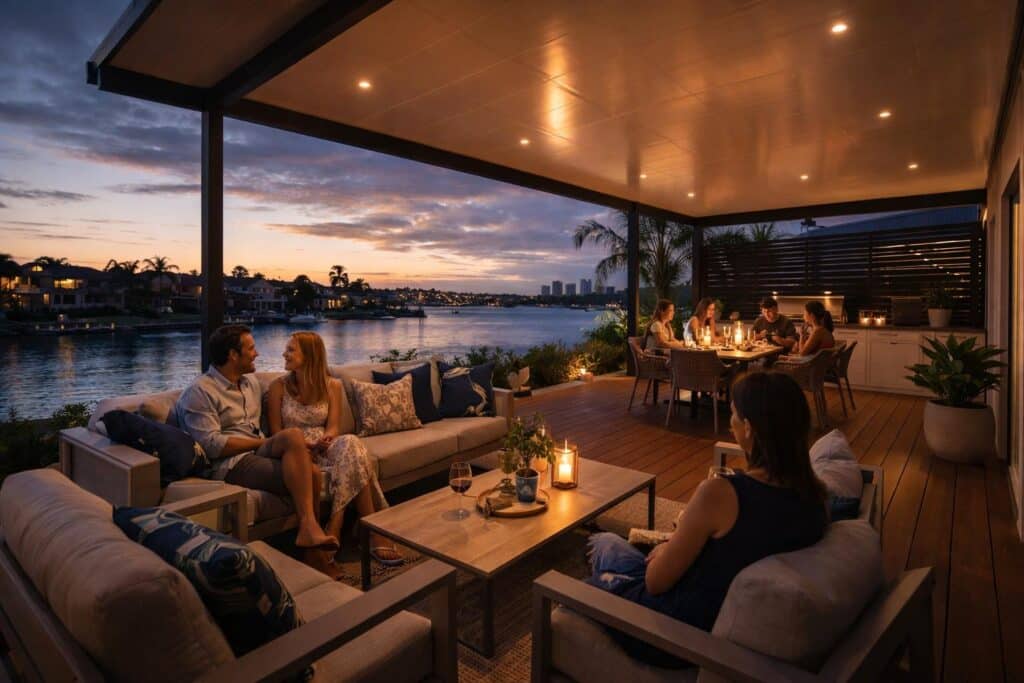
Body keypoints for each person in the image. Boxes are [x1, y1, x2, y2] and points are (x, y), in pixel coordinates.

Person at [584, 371, 828, 667]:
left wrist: (670, 546)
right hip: (705, 597)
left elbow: (655, 581)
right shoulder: (814, 498)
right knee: (606, 540)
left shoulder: (723, 494)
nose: (730, 422)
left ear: (749, 429)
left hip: (675, 630)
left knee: (596, 566)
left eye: (735, 414)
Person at [172, 325, 338, 570]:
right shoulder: (199, 392)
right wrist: (264, 442)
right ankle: (313, 548)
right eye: (251, 348)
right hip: (230, 463)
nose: (257, 354)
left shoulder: (249, 383)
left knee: (292, 437)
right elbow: (211, 446)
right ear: (233, 355)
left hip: (257, 452)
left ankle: (308, 533)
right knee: (311, 473)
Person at [266, 332, 403, 569]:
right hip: (296, 451)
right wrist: (306, 445)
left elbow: (333, 427)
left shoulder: (333, 385)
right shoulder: (278, 387)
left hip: (326, 447)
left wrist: (326, 440)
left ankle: (336, 523)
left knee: (350, 442)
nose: (284, 354)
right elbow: (275, 434)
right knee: (357, 458)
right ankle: (368, 530)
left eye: (291, 350)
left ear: (309, 355)